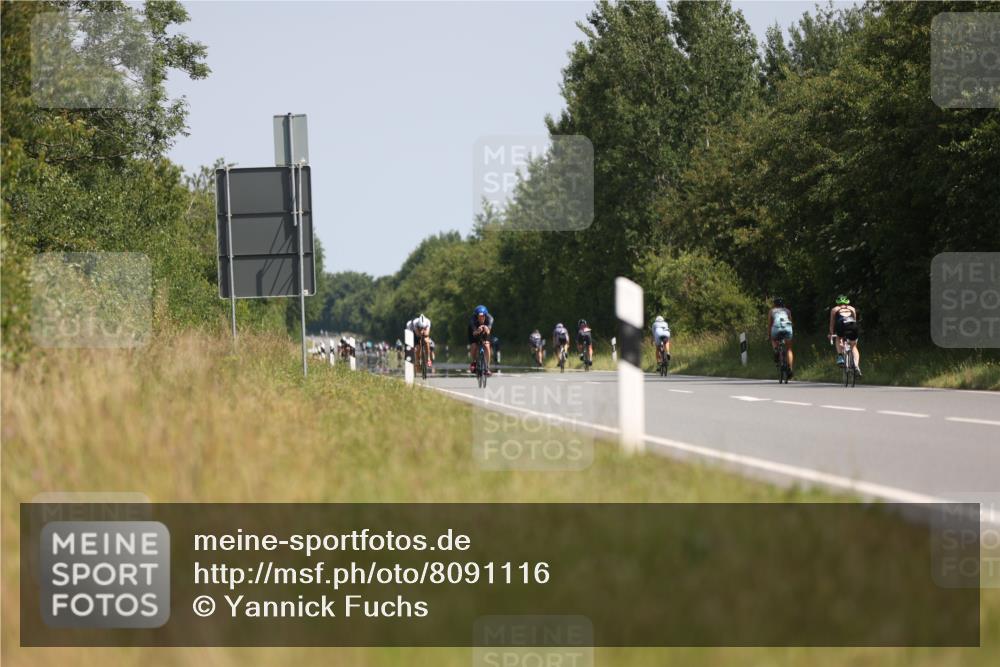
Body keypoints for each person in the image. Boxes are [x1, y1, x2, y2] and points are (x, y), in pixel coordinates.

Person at [829, 295, 861, 374]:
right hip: (853, 326)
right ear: (847, 302)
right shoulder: (852, 309)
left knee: (838, 337)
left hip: (841, 325)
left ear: (837, 303)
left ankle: (840, 356)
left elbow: (832, 323)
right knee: (853, 346)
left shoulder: (834, 309)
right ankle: (856, 366)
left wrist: (831, 334)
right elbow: (855, 320)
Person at [768, 297, 795, 378]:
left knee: (773, 339)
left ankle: (776, 350)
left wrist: (769, 335)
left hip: (776, 329)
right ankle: (790, 369)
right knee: (789, 349)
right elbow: (791, 322)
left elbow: (770, 324)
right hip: (787, 328)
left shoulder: (772, 311)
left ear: (774, 304)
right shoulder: (787, 310)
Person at [467, 305, 494, 374]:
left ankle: (487, 367)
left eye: (483, 316)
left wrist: (486, 328)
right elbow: (474, 333)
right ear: (476, 316)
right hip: (474, 332)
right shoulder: (472, 320)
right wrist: (478, 330)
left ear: (485, 315)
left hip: (485, 332)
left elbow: (488, 331)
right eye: (479, 316)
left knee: (487, 346)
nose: (481, 318)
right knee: (474, 346)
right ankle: (474, 362)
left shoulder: (490, 319)